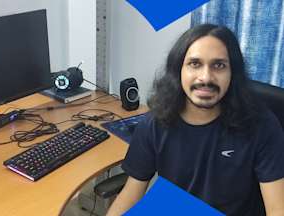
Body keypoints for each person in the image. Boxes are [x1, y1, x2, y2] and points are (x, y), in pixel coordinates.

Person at [106, 24, 284, 216]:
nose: (206, 77)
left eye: (219, 65)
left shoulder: (261, 125)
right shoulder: (154, 123)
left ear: (233, 74)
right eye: (195, 64)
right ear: (178, 70)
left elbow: (277, 209)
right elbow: (131, 193)